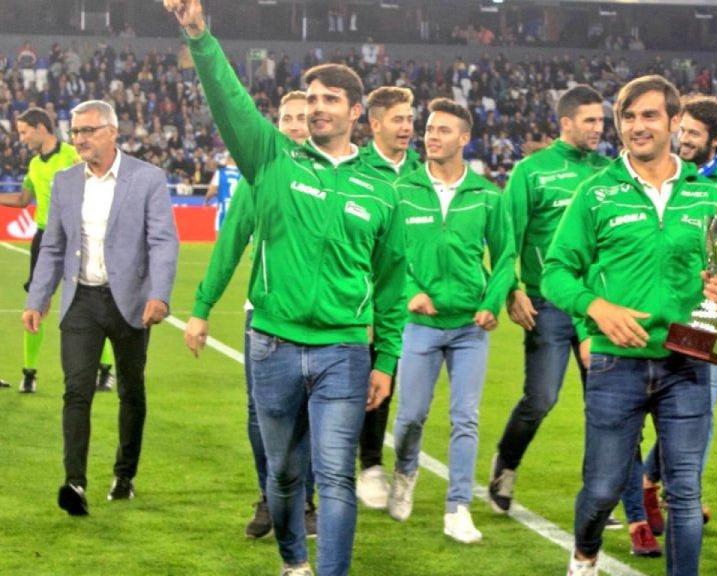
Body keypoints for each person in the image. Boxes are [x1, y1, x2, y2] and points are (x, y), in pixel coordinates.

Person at [170, 2, 406, 575]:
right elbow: (228, 99)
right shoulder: (272, 158)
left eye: (329, 100)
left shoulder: (382, 189)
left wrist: (388, 357)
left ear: (356, 112)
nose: (316, 108)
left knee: (334, 477)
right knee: (281, 476)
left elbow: (393, 281)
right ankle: (293, 561)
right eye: (310, 100)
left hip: (344, 351)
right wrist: (200, 36)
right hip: (272, 344)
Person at [542, 75, 717, 576]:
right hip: (615, 360)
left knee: (685, 493)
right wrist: (596, 309)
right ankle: (584, 554)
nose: (637, 126)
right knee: (603, 488)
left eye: (649, 115)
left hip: (687, 361)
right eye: (628, 117)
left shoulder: (710, 196)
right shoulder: (597, 192)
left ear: (674, 122)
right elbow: (556, 272)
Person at [489, 85, 655, 554]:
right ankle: (507, 460)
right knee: (541, 398)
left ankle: (624, 512)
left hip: (602, 310)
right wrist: (512, 288)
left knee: (614, 408)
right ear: (564, 123)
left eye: (601, 122)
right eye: (589, 121)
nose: (598, 129)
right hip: (546, 303)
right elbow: (507, 237)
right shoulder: (532, 172)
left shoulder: (612, 172)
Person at [23, 99, 179, 516]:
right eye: (76, 132)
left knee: (131, 389)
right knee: (76, 389)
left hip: (130, 302)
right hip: (82, 301)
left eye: (89, 131)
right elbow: (53, 246)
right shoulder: (65, 181)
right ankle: (74, 483)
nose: (80, 140)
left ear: (112, 132)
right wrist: (37, 298)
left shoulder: (147, 179)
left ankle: (125, 474)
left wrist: (159, 294)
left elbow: (163, 241)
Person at [186, 90, 318, 540]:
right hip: (263, 315)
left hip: (326, 319)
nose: (296, 125)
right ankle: (271, 496)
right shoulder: (259, 173)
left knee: (314, 412)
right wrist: (202, 307)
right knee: (260, 412)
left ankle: (306, 500)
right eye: (287, 118)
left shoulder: (339, 176)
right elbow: (231, 243)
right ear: (277, 124)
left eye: (304, 117)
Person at [388, 98, 515, 543]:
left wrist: (492, 302)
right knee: (410, 418)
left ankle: (458, 507)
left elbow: (505, 258)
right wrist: (410, 293)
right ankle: (404, 473)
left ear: (464, 138)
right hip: (420, 325)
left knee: (466, 418)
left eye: (443, 129)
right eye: (429, 128)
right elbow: (385, 256)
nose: (431, 135)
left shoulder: (487, 195)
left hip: (469, 328)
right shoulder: (401, 191)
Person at [642, 94, 717, 532]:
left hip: (711, 309)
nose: (683, 140)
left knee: (702, 403)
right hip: (664, 303)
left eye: (693, 134)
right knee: (669, 402)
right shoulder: (665, 174)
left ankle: (661, 484)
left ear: (716, 140)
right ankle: (655, 486)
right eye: (681, 130)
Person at [0, 107, 116, 394]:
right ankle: (29, 373)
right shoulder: (35, 165)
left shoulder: (72, 155)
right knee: (36, 303)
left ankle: (105, 372)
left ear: (41, 128)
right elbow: (24, 198)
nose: (22, 138)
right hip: (45, 238)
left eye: (25, 132)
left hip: (79, 235)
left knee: (93, 300)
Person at [354, 85, 421, 510]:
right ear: (374, 123)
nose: (407, 127)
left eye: (410, 119)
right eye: (398, 119)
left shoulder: (423, 171)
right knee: (371, 385)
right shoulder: (357, 168)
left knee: (407, 394)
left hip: (422, 302)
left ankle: (397, 469)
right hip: (373, 302)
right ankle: (369, 464)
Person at [205, 152, 242, 232]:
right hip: (238, 211)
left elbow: (211, 191)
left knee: (220, 242)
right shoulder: (242, 174)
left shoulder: (221, 172)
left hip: (224, 210)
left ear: (228, 159)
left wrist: (207, 200)